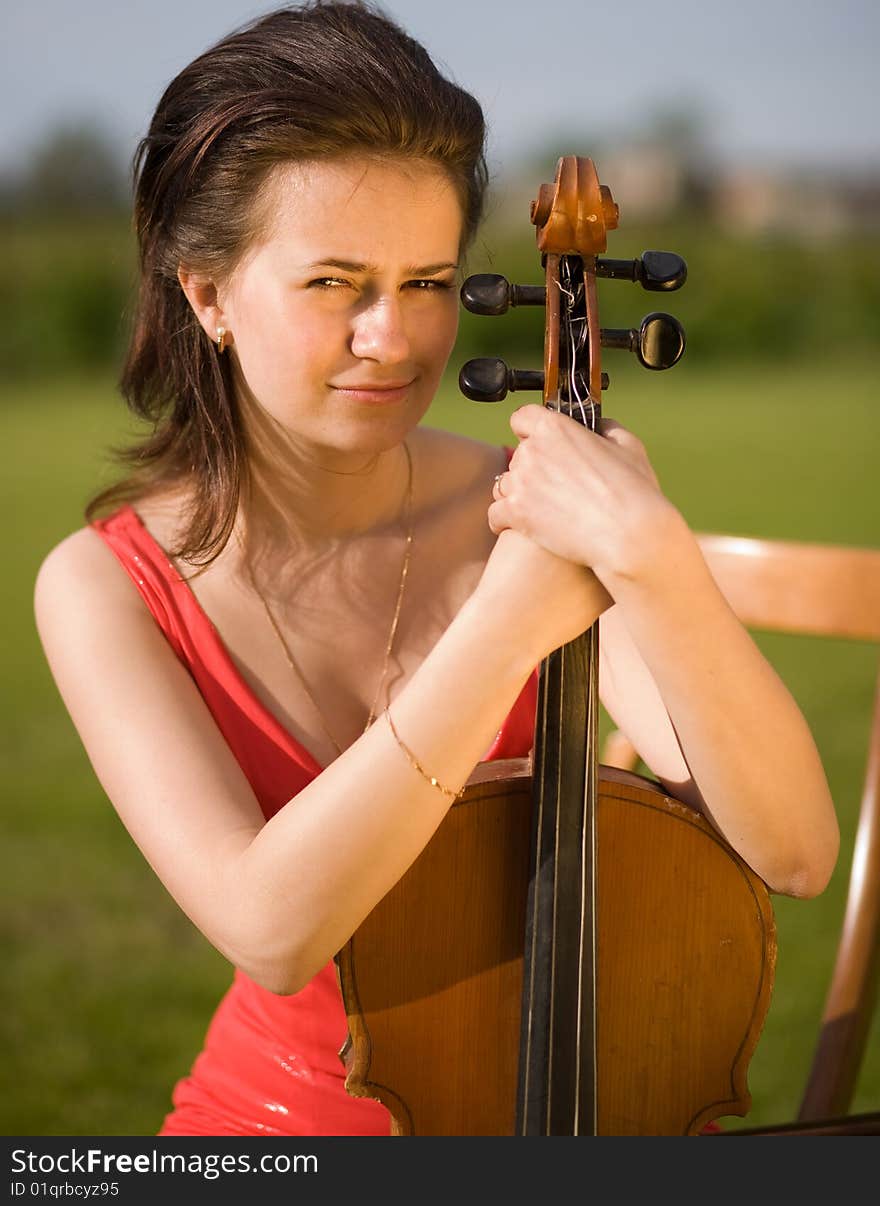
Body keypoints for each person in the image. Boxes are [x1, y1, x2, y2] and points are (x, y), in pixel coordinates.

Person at [33, 1, 839, 1137]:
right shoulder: (103, 584)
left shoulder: (538, 512)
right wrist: (507, 626)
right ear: (206, 294)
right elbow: (272, 932)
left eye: (426, 282)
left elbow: (794, 849)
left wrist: (653, 557)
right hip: (280, 1132)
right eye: (333, 284)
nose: (395, 339)